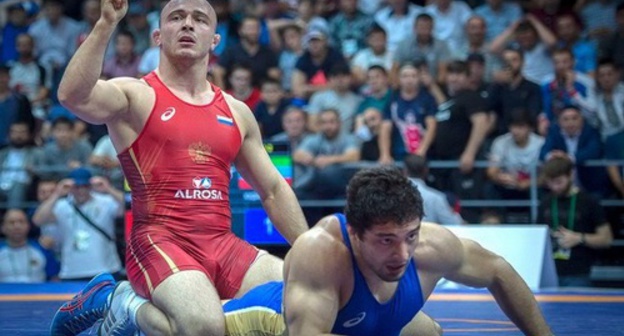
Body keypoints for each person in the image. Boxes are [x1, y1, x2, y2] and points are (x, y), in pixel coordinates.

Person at [49, 0, 308, 336]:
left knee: (307, 298)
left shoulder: (236, 111)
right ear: (158, 35)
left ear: (215, 40)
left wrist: (309, 251)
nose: (188, 24)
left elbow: (272, 190)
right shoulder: (136, 95)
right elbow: (73, 96)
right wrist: (106, 24)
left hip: (223, 245)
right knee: (202, 326)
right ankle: (122, 301)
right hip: (159, 241)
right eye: (176, 18)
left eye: (200, 19)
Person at [221, 166, 552, 335]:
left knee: (429, 333)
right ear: (354, 232)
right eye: (386, 240)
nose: (403, 254)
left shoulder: (432, 246)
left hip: (358, 323)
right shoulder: (322, 250)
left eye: (410, 236)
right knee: (190, 326)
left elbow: (498, 271)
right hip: (262, 324)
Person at [537, 156, 613, 287]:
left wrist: (579, 238)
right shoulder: (545, 202)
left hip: (578, 272)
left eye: (559, 182)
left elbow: (606, 239)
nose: (555, 187)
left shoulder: (589, 202)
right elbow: (537, 235)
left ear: (571, 175)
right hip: (549, 272)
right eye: (550, 183)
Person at [404, 154, 463, 225]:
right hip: (427, 234)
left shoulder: (393, 193)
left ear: (405, 170)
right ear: (426, 171)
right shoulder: (436, 198)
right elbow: (453, 223)